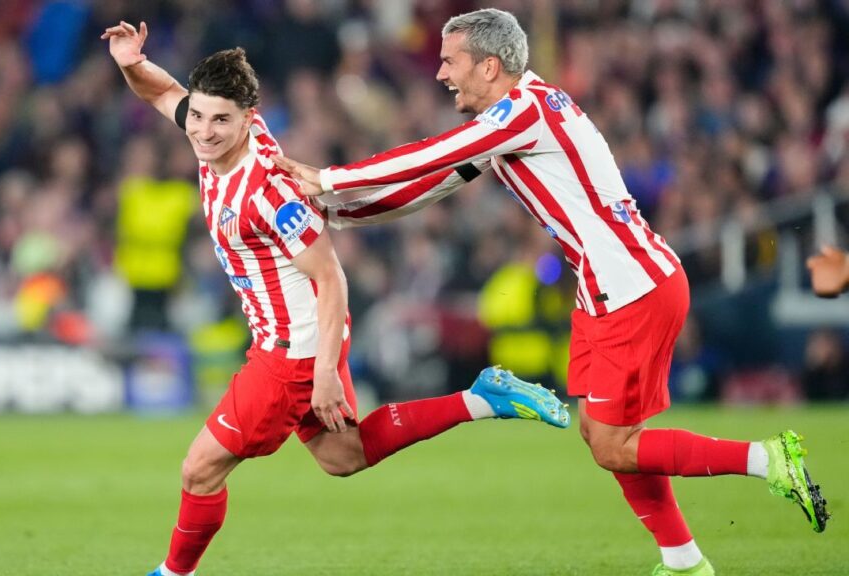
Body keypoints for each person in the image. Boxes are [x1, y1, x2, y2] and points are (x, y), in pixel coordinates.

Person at [276, 8, 829, 576]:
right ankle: (682, 561)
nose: (441, 74)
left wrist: (329, 178)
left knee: (614, 444)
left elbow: (433, 153)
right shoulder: (513, 117)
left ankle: (767, 459)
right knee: (604, 435)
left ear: (489, 66)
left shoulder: (524, 110)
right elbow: (429, 186)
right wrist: (334, 213)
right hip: (609, 286)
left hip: (631, 287)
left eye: (450, 61)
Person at [101, 20, 570, 576]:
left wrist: (323, 372)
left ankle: (172, 574)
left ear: (249, 120)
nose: (203, 132)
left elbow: (331, 277)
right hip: (301, 340)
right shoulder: (212, 133)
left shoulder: (268, 193)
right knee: (343, 456)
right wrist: (132, 62)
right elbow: (162, 92)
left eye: (219, 120)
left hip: (292, 354)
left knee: (199, 470)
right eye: (198, 117)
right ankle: (483, 399)